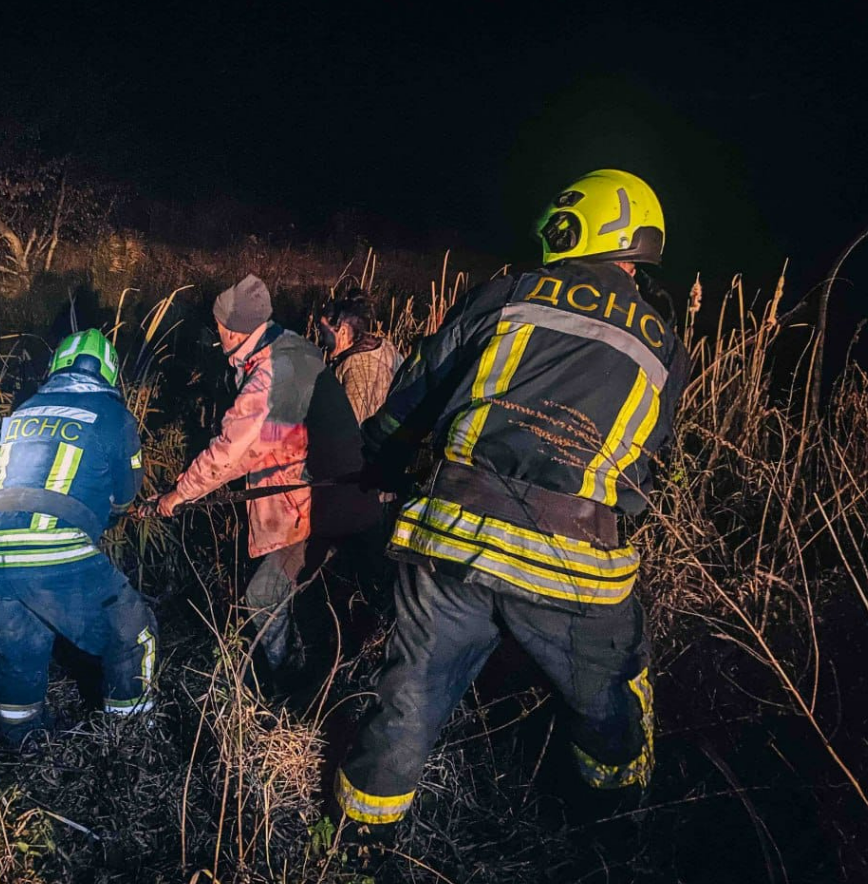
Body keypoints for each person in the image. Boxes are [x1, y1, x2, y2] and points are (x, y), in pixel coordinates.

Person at [333, 170, 689, 832]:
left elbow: (416, 394)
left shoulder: (511, 291)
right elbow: (641, 472)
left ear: (575, 226)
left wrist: (377, 459)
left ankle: (356, 836)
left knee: (411, 698)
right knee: (611, 696)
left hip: (452, 540)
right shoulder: (665, 346)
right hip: (572, 565)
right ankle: (611, 826)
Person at [156, 274, 379, 686]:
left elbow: (233, 451)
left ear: (232, 328)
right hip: (334, 495)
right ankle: (313, 669)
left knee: (263, 597)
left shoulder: (271, 372)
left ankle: (288, 686)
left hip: (321, 504)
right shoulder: (287, 347)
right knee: (300, 596)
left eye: (219, 324)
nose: (216, 332)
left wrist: (179, 494)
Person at [0, 329, 157, 749]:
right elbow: (125, 495)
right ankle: (129, 748)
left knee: (22, 650)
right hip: (53, 545)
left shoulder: (23, 411)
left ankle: (22, 748)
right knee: (133, 630)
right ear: (111, 375)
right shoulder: (114, 416)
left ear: (56, 366)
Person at [319, 290, 404, 424]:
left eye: (324, 333)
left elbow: (351, 428)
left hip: (372, 441)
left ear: (343, 332)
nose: (321, 339)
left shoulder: (356, 369)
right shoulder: (386, 347)